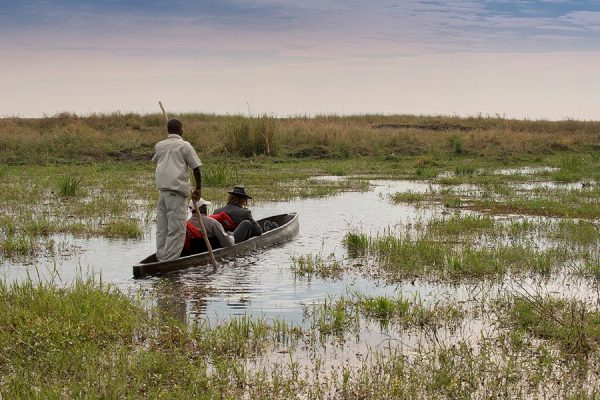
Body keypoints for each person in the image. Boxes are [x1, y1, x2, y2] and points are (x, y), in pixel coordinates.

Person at [152, 118, 202, 261]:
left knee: (163, 228)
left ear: (168, 130)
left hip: (163, 193)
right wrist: (198, 188)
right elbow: (196, 167)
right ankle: (168, 263)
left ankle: (161, 257)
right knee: (177, 229)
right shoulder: (185, 146)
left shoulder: (159, 146)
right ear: (180, 129)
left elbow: (158, 159)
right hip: (175, 193)